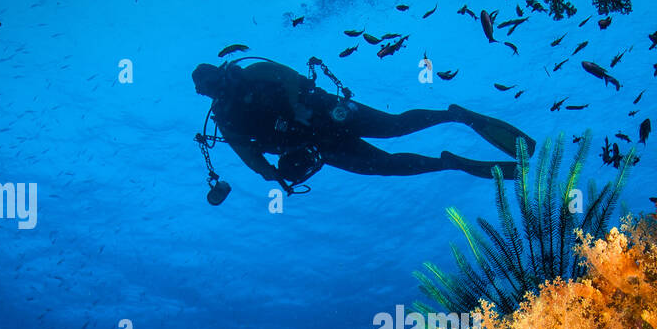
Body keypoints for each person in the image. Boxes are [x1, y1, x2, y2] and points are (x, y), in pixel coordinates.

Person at [191, 59, 536, 190]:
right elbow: (250, 158)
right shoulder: (226, 120)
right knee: (383, 167)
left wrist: (297, 107)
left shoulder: (253, 73)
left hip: (327, 111)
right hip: (320, 147)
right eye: (207, 89)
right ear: (204, 94)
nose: (214, 89)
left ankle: (454, 115)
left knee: (394, 126)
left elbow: (291, 76)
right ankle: (449, 163)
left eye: (212, 81)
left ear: (220, 72)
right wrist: (275, 174)